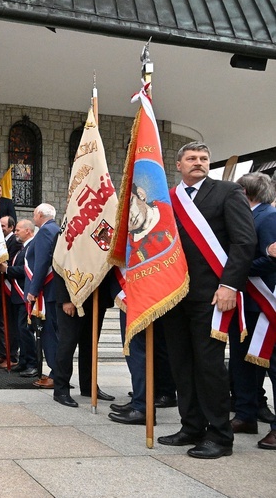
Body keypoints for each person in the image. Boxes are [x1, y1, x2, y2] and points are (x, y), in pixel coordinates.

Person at [159, 142, 256, 459]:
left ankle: (219, 435)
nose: (198, 162)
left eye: (203, 159)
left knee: (208, 365)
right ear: (178, 165)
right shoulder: (168, 199)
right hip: (174, 296)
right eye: (191, 158)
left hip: (212, 295)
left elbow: (244, 242)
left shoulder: (227, 192)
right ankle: (191, 426)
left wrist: (230, 285)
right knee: (181, 364)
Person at [229, 173, 276, 440]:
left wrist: (235, 269)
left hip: (264, 304)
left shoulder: (268, 216)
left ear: (246, 193)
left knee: (271, 365)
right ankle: (246, 415)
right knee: (241, 361)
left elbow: (271, 260)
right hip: (244, 302)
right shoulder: (250, 215)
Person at [52, 273, 115, 407]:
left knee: (90, 345)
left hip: (97, 297)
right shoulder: (65, 249)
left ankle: (89, 386)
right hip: (73, 297)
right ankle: (61, 389)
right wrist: (66, 298)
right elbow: (59, 265)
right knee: (67, 344)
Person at [27, 203, 60, 388]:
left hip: (48, 291)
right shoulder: (56, 228)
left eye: (34, 214)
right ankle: (57, 372)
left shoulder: (46, 231)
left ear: (40, 214)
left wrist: (33, 290)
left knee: (50, 335)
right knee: (54, 333)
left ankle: (56, 374)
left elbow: (41, 263)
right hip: (53, 290)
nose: (33, 218)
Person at [0, 219, 38, 376]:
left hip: (24, 293)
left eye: (18, 230)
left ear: (28, 231)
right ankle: (23, 361)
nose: (15, 232)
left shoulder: (32, 246)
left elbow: (26, 270)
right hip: (17, 295)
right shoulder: (23, 248)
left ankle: (32, 363)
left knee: (25, 330)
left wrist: (7, 270)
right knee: (20, 330)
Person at [0, 216, 20, 367]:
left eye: (3, 225)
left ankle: (11, 355)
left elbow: (12, 262)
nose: (0, 228)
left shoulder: (15, 242)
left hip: (9, 288)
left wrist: (3, 267)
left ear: (11, 227)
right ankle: (2, 353)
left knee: (9, 323)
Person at [127, 183, 175, 268]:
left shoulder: (172, 213)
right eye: (122, 216)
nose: (130, 217)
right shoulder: (129, 252)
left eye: (130, 204)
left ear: (140, 195)